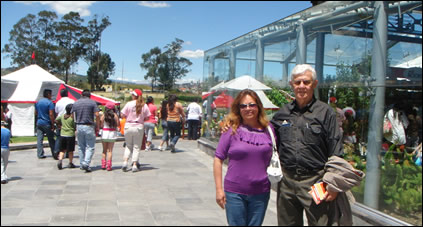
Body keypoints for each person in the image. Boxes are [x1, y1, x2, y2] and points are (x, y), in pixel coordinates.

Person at [270, 64, 343, 225]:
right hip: (287, 182)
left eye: (306, 82)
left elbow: (336, 149)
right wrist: (232, 123)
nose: (301, 86)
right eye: (297, 82)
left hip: (316, 180)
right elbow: (264, 134)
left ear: (314, 84)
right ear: (291, 85)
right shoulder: (282, 113)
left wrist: (333, 184)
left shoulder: (326, 113)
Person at [213, 89, 273, 226]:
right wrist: (218, 189)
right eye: (243, 106)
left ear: (258, 106)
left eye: (252, 104)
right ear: (238, 109)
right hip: (235, 192)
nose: (248, 108)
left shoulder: (269, 130)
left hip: (261, 192)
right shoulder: (231, 129)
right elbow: (218, 159)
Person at [120, 89, 150, 172]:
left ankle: (125, 162)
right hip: (138, 127)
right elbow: (148, 117)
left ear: (134, 95)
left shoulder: (129, 104)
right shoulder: (144, 105)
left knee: (128, 145)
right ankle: (134, 164)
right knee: (136, 147)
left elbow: (122, 114)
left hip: (128, 126)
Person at [71, 89, 100, 172]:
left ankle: (81, 163)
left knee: (81, 146)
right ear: (89, 95)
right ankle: (86, 163)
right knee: (90, 146)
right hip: (89, 126)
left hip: (79, 125)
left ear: (82, 95)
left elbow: (72, 115)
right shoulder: (92, 102)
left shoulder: (76, 102)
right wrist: (97, 125)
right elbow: (97, 114)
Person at [35, 89, 56, 159]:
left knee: (39, 139)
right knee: (51, 139)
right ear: (48, 94)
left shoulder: (38, 102)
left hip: (39, 122)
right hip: (47, 123)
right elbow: (51, 114)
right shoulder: (50, 103)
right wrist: (53, 124)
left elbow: (36, 112)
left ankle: (40, 154)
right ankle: (54, 153)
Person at [54, 89, 75, 158]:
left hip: (61, 120)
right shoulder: (72, 101)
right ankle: (68, 154)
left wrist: (59, 125)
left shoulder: (58, 102)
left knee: (59, 137)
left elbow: (57, 113)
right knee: (69, 139)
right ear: (67, 93)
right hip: (70, 120)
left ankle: (57, 152)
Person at [55, 103, 76, 170]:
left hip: (62, 134)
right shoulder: (72, 118)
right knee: (70, 150)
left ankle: (60, 160)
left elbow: (56, 120)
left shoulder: (62, 116)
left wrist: (59, 126)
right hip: (70, 135)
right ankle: (70, 163)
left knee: (62, 150)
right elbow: (75, 126)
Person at [100, 102, 119, 171]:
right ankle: (109, 165)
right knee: (110, 151)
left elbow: (101, 124)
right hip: (112, 133)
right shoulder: (115, 115)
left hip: (104, 133)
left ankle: (103, 164)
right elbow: (117, 124)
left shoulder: (103, 115)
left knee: (104, 150)